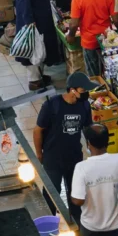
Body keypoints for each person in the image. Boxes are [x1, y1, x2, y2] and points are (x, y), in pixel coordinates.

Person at [34, 71, 94, 224]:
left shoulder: (85, 105)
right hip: (52, 158)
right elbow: (38, 130)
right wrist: (39, 154)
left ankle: (78, 225)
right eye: (83, 90)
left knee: (76, 193)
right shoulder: (51, 105)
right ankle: (48, 225)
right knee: (52, 193)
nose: (86, 93)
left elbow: (88, 128)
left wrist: (92, 150)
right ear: (72, 90)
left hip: (74, 157)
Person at [14, 0, 68, 90]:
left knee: (42, 47)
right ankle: (34, 80)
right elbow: (23, 1)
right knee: (33, 48)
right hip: (32, 19)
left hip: (43, 17)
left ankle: (40, 75)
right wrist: (29, 21)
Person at [67, 0, 118, 77]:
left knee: (94, 76)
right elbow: (116, 19)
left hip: (89, 42)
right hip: (107, 41)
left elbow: (74, 24)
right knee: (109, 73)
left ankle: (98, 93)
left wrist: (70, 36)